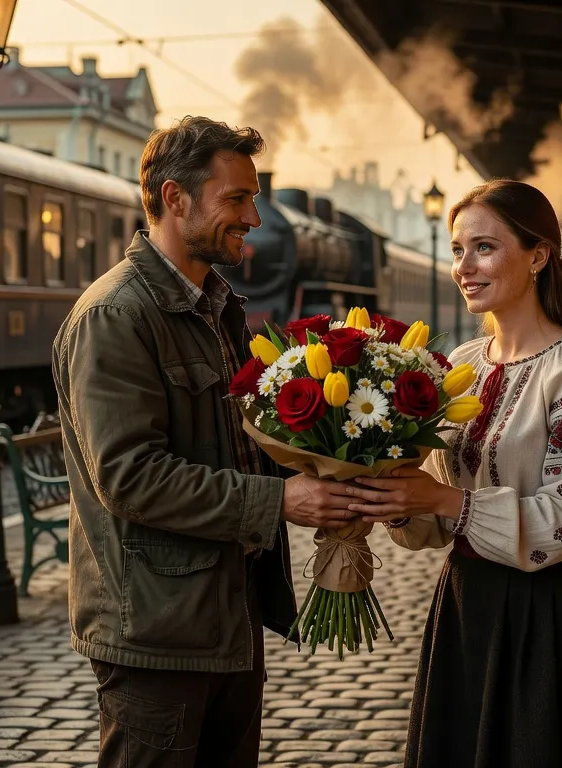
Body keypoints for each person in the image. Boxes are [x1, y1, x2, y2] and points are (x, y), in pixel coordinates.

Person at [51, 116, 360, 768]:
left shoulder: (215, 307)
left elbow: (235, 447)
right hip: (156, 634)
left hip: (225, 616)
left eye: (254, 198)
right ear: (175, 198)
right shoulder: (116, 315)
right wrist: (281, 502)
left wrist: (333, 473)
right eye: (236, 199)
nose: (253, 217)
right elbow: (131, 476)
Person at [340, 180, 562, 767]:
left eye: (484, 247)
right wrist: (393, 497)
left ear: (538, 255)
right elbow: (434, 512)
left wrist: (444, 501)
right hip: (464, 604)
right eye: (458, 249)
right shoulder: (462, 366)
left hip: (545, 613)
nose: (464, 267)